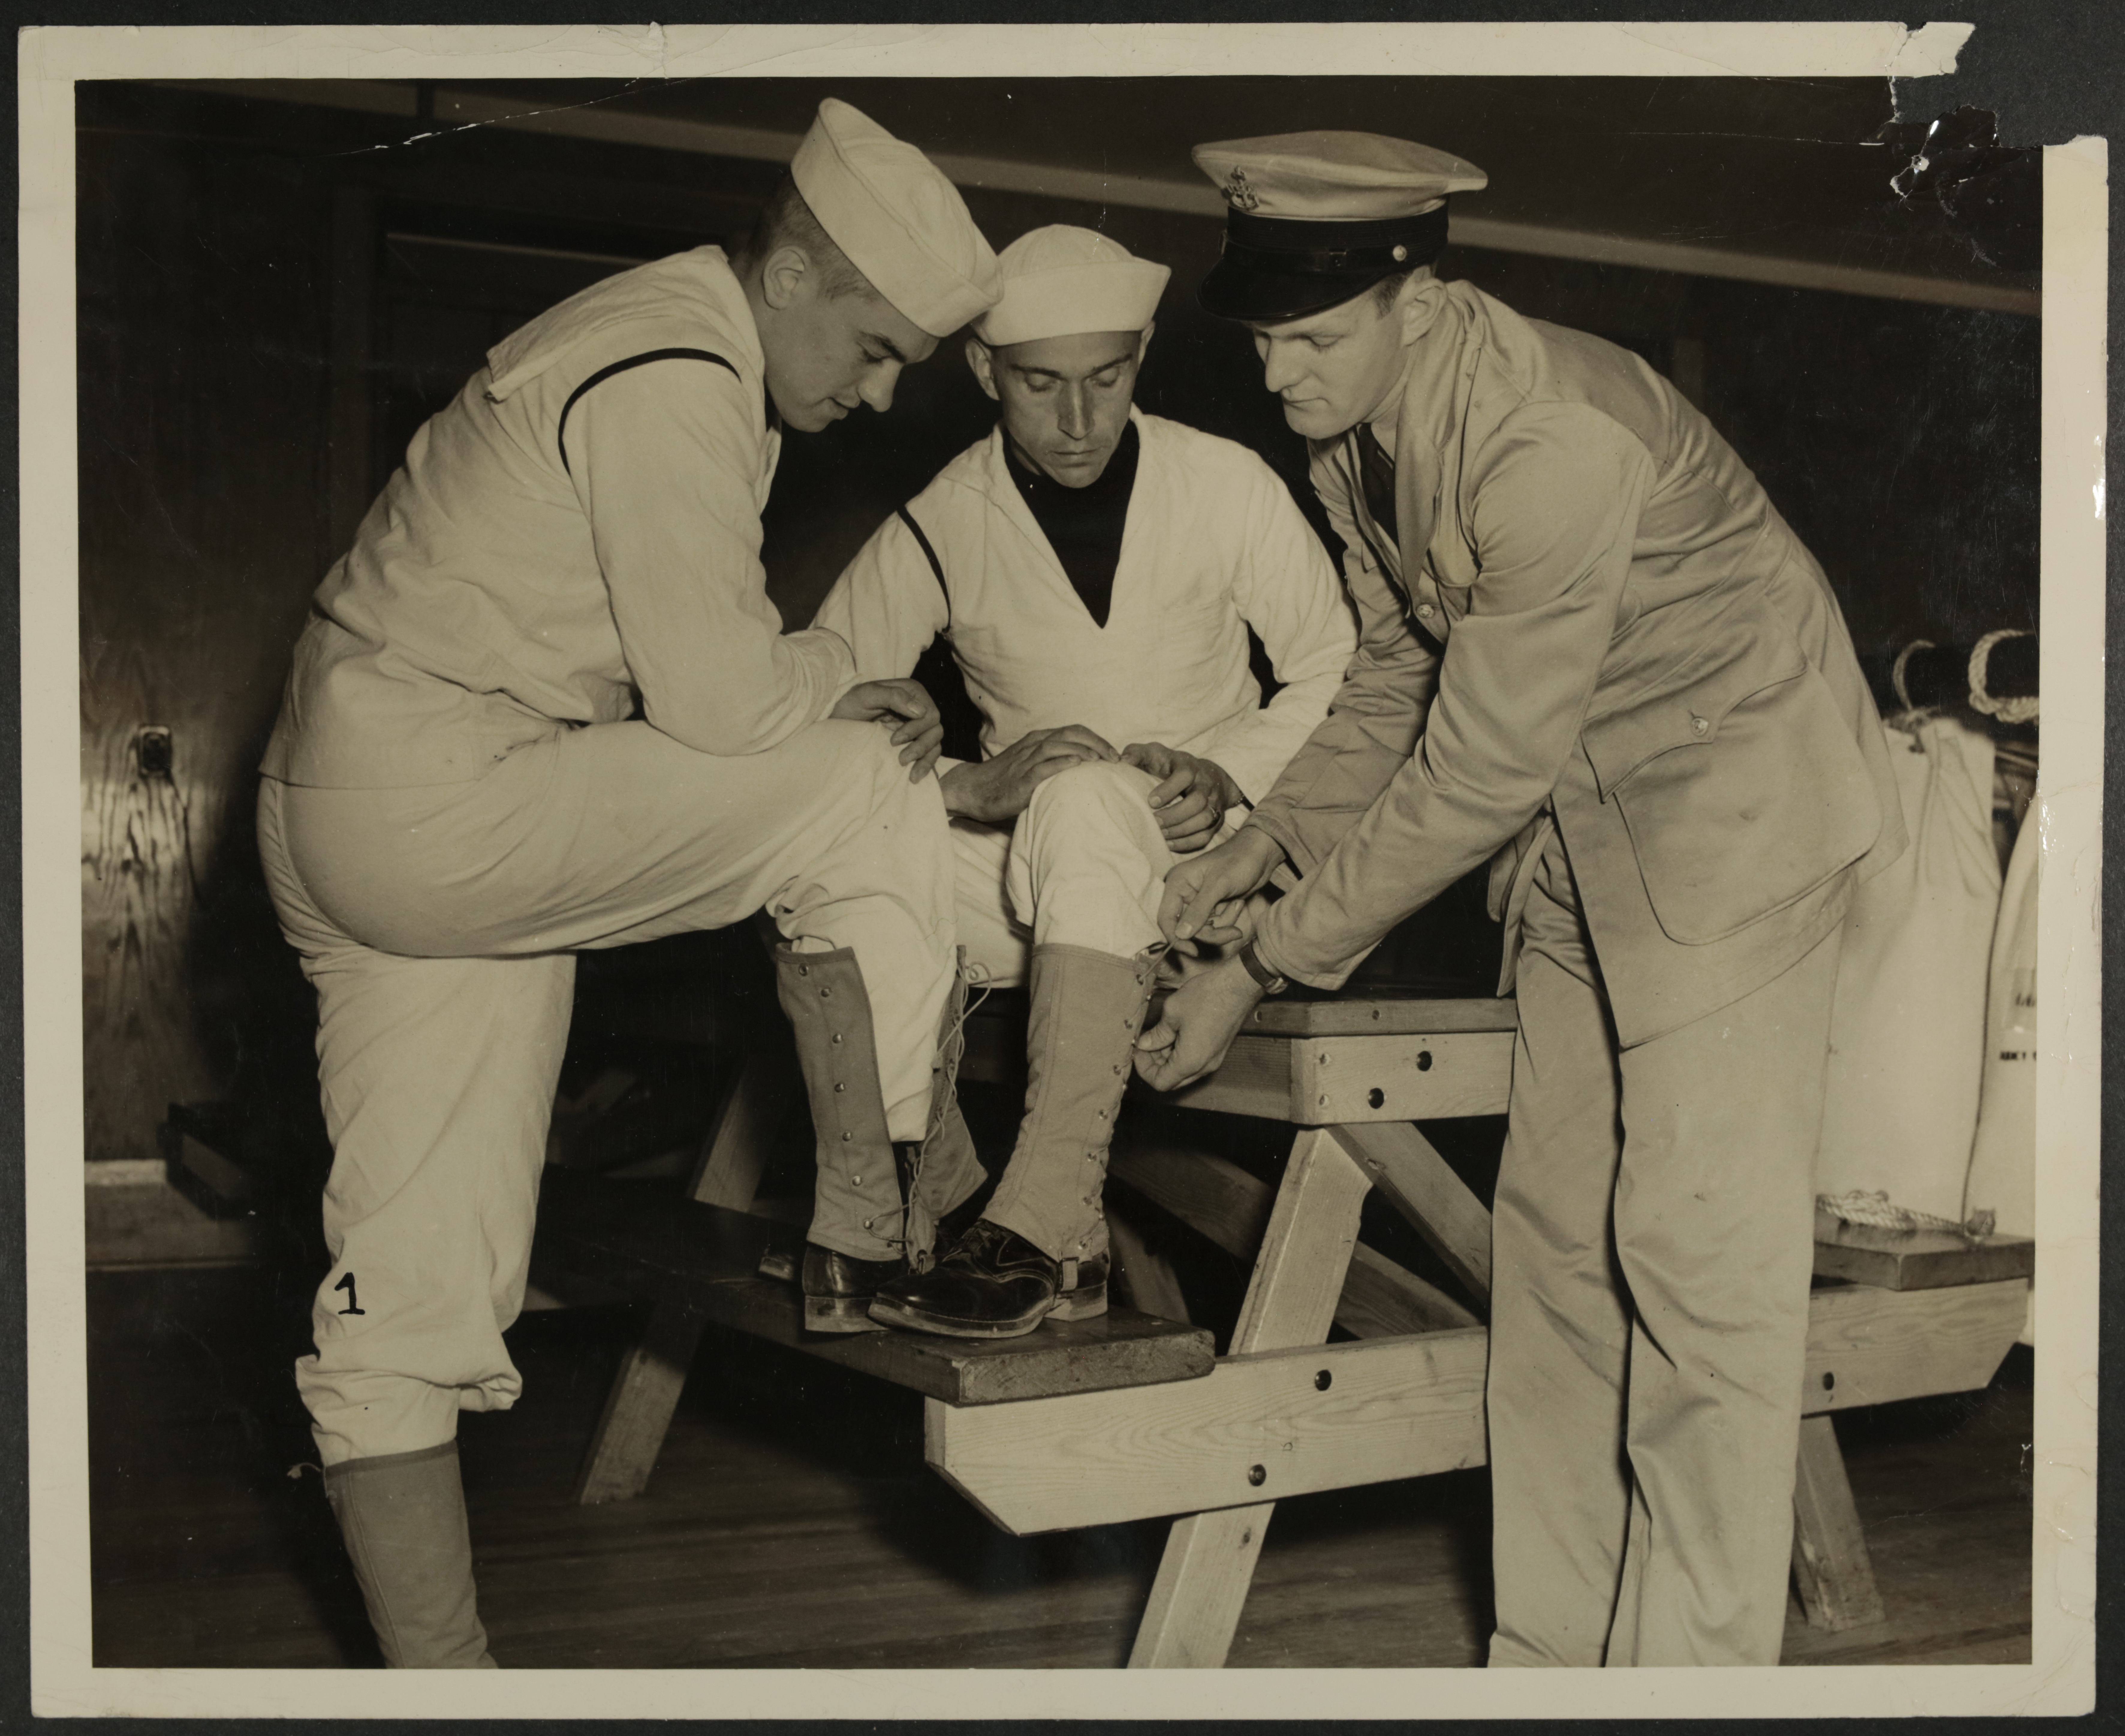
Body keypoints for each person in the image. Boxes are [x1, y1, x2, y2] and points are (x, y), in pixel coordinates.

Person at [1133, 131, 1906, 1667]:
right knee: (1554, 1253)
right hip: (1586, 815)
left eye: (1317, 335)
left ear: (1421, 294)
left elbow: (1478, 767)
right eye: (1268, 337)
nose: (1283, 373)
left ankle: (1689, 1685)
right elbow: (1404, 671)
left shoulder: (1552, 438)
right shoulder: (1350, 423)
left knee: (1697, 1265)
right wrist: (1265, 841)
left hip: (1738, 806)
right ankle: (1551, 1665)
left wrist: (1270, 960)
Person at [254, 99, 1000, 1667]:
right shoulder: (679, 365)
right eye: (869, 348)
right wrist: (836, 677)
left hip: (367, 805)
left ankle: (444, 1693)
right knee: (866, 775)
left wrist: (802, 684)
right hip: (448, 796)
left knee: (411, 1302)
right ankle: (900, 1204)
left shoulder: (641, 332)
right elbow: (726, 702)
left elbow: (694, 692)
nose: (870, 399)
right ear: (789, 274)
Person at [808, 225, 1356, 1338]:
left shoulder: (1225, 483)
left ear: (1143, 354)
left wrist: (1231, 773)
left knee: (1088, 793)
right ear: (981, 371)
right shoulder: (945, 517)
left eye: (1105, 380)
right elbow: (822, 705)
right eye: (1039, 384)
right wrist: (971, 783)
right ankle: (925, 1210)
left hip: (1211, 881)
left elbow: (1339, 674)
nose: (1076, 421)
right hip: (1040, 895)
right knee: (822, 851)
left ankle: (1044, 1224)